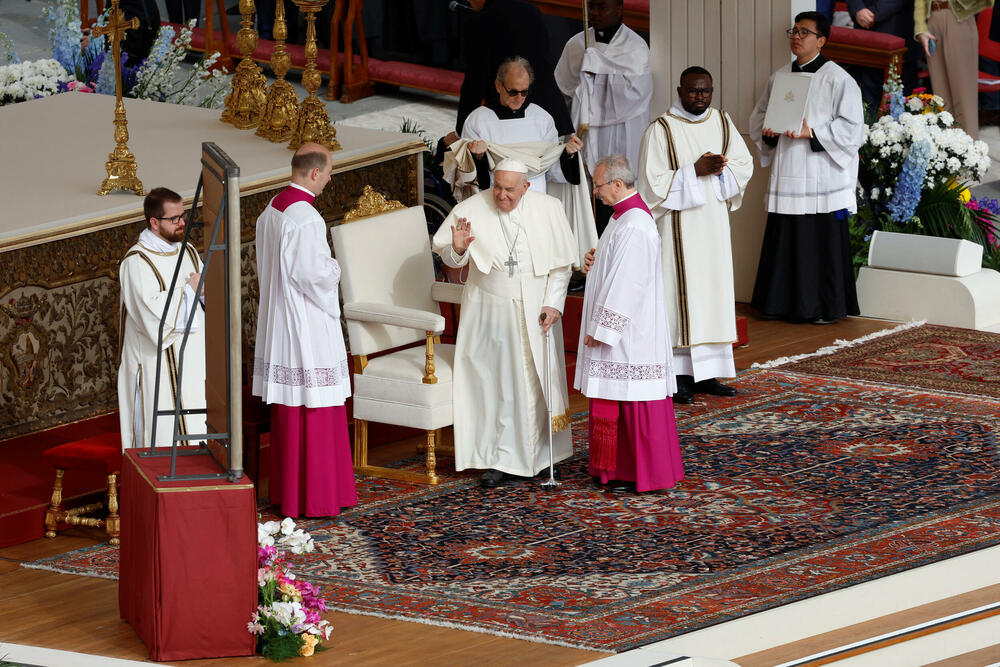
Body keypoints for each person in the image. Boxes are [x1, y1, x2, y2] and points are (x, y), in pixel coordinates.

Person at [431, 159, 577, 488]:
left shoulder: (548, 208)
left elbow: (562, 266)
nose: (501, 195)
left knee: (532, 384)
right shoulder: (471, 208)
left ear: (526, 187)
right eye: (497, 187)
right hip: (488, 311)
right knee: (495, 386)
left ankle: (539, 456)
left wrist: (553, 304)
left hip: (536, 308)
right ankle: (498, 458)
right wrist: (456, 249)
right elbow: (451, 258)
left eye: (510, 189)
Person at [637, 66, 754, 404]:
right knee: (680, 299)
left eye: (706, 91)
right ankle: (679, 376)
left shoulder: (721, 121)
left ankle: (708, 374)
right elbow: (650, 184)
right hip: (678, 229)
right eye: (693, 91)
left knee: (712, 297)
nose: (700, 97)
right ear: (679, 90)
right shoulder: (660, 130)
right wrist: (694, 172)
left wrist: (721, 170)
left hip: (713, 226)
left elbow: (743, 165)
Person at [253, 142, 357, 518]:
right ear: (314, 173)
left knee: (293, 410)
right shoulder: (306, 217)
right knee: (316, 407)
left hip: (281, 322)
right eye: (328, 172)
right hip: (305, 326)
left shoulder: (273, 208)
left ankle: (291, 495)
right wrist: (337, 268)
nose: (329, 179)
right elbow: (313, 276)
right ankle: (318, 497)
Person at [576, 155, 684, 493]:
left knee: (633, 399)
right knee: (618, 396)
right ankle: (613, 468)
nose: (594, 192)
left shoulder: (635, 223)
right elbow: (614, 265)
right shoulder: (621, 217)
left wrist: (603, 328)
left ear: (617, 184)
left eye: (598, 185)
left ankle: (637, 472)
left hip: (629, 334)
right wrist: (595, 257)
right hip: (623, 329)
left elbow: (629, 283)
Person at [749, 11, 865, 324]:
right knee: (786, 238)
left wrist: (811, 132)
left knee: (819, 240)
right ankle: (778, 304)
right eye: (794, 31)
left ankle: (822, 307)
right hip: (789, 170)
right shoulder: (780, 77)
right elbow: (759, 118)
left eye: (804, 32)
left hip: (821, 174)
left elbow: (854, 129)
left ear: (822, 40)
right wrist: (769, 133)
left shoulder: (839, 79)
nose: (796, 36)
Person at [118, 187, 206, 449]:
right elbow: (151, 318)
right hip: (158, 366)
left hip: (194, 361)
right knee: (164, 437)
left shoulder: (187, 250)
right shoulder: (136, 263)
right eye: (175, 219)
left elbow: (203, 293)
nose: (182, 223)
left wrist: (202, 292)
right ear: (154, 223)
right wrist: (189, 291)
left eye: (183, 215)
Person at [554, 0, 652, 235]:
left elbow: (636, 95)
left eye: (602, 7)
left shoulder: (635, 47)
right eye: (592, 7)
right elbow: (562, 88)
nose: (595, 13)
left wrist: (596, 71)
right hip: (587, 133)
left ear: (619, 9)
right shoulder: (577, 44)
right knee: (589, 196)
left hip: (622, 131)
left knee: (618, 189)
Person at [449, 0, 574, 141]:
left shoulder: (479, 22)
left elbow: (475, 81)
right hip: (548, 111)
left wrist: (461, 131)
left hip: (508, 116)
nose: (469, 2)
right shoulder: (531, 10)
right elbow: (544, 62)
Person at [460, 57, 583, 196]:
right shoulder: (477, 120)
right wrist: (479, 158)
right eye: (513, 92)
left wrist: (568, 155)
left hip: (534, 196)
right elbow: (467, 175)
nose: (519, 98)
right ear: (498, 86)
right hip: (495, 196)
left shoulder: (542, 118)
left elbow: (553, 170)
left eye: (524, 92)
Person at [914, 0, 993, 139]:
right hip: (932, 22)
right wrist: (921, 28)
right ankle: (948, 153)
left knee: (963, 96)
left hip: (959, 19)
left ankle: (970, 151)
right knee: (941, 95)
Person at [847, 0, 919, 108]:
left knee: (899, 104)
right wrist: (857, 9)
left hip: (898, 30)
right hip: (864, 33)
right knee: (866, 102)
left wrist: (873, 13)